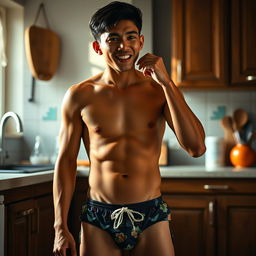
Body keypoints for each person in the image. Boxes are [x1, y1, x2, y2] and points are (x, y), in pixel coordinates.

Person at [53, 1, 206, 256]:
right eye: (113, 39)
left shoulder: (158, 91)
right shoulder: (79, 95)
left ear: (141, 41)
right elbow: (66, 161)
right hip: (98, 217)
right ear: (97, 47)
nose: (123, 46)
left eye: (130, 37)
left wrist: (168, 83)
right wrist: (60, 227)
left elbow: (196, 147)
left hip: (150, 215)